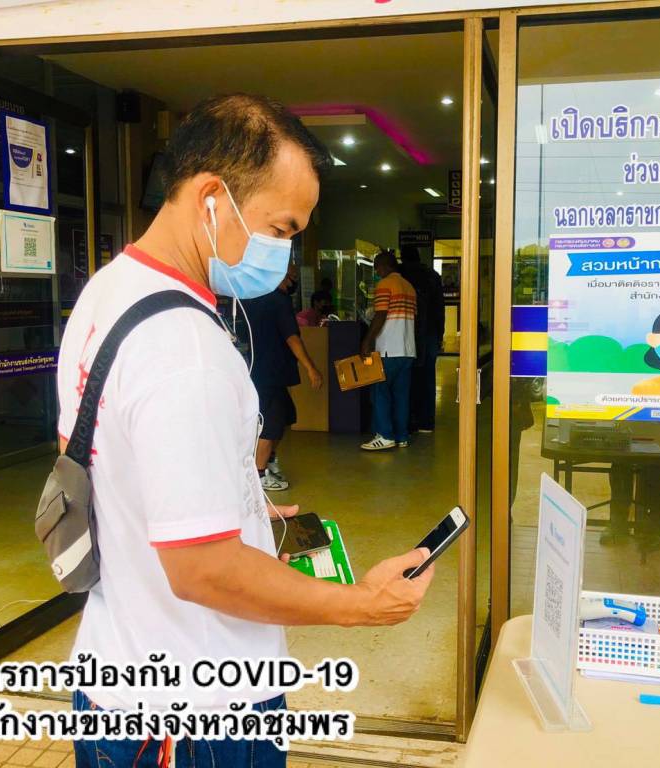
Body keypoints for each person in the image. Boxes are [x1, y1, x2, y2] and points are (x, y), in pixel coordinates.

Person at [56, 94, 434, 767]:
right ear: (211, 198)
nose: (284, 252)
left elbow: (101, 464)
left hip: (116, 678)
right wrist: (358, 604)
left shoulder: (107, 293)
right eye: (281, 228)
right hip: (197, 716)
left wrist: (233, 504)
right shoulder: (185, 350)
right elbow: (204, 570)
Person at [241, 263, 322, 492]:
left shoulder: (255, 298)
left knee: (286, 415)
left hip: (263, 371)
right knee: (272, 424)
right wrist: (310, 368)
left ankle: (269, 461)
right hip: (269, 374)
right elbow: (292, 337)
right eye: (291, 276)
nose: (293, 281)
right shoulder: (279, 300)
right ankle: (258, 477)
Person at [359, 250, 417, 451]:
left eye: (377, 267)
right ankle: (402, 436)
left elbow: (381, 315)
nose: (376, 271)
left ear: (385, 266)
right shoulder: (409, 287)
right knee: (401, 395)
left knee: (379, 392)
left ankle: (384, 435)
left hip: (388, 349)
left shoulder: (385, 284)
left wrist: (367, 341)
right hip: (407, 350)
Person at [399, 245, 445, 433]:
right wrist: (440, 335)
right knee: (427, 377)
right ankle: (426, 421)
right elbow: (439, 309)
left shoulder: (400, 275)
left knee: (407, 378)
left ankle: (409, 420)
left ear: (402, 258)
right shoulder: (433, 276)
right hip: (430, 333)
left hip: (406, 332)